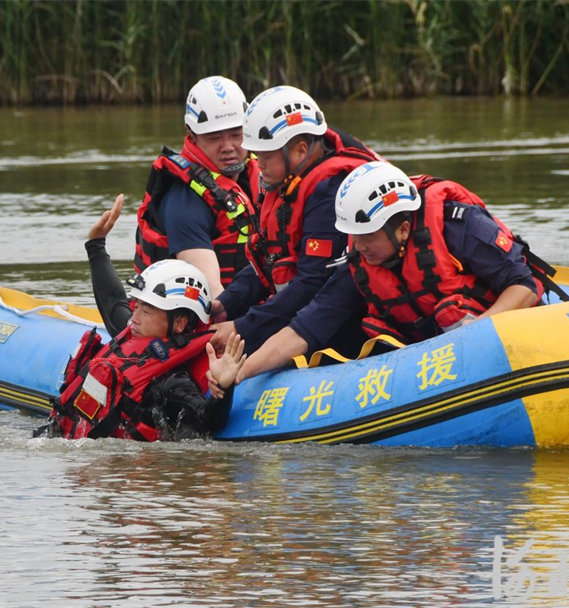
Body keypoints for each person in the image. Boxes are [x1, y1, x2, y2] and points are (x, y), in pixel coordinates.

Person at [224, 161, 550, 384]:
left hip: (498, 336)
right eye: (355, 236)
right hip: (433, 353)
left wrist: (478, 331)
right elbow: (302, 331)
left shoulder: (458, 228)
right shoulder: (360, 264)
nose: (359, 246)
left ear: (404, 229)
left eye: (368, 237)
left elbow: (523, 286)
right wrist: (240, 371)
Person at [35, 194, 245, 441]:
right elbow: (113, 301)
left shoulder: (172, 382)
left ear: (179, 323)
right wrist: (96, 244)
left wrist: (224, 388)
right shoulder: (134, 335)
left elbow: (208, 421)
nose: (133, 317)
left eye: (146, 310)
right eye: (137, 306)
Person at [210, 85, 382, 354]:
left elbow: (311, 283)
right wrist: (225, 304)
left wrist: (240, 327)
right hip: (307, 308)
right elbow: (267, 260)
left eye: (266, 156)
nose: (258, 164)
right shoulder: (283, 183)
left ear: (300, 151)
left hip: (348, 320)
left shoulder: (331, 192)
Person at [135, 75, 260, 298]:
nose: (228, 147)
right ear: (191, 133)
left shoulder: (265, 173)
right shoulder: (185, 202)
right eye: (214, 138)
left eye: (236, 134)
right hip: (197, 319)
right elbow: (212, 295)